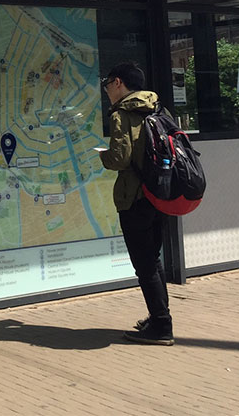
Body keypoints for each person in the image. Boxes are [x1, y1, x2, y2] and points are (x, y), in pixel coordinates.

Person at [98, 61, 174, 346]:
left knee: (144, 264)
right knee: (153, 260)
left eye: (107, 85)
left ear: (118, 83)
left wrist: (103, 155)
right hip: (159, 194)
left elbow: (119, 158)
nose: (106, 91)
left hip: (134, 197)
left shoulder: (122, 114)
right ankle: (158, 317)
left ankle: (162, 326)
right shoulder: (158, 108)